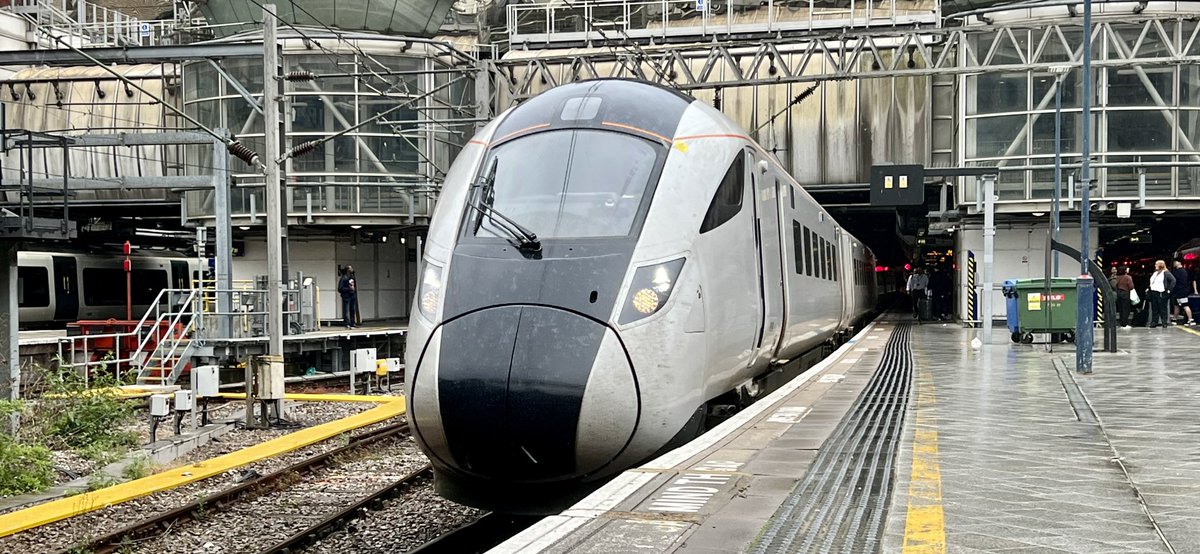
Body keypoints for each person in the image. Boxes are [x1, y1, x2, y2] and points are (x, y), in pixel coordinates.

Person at [1147, 259, 1175, 328]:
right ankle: (1154, 322)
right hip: (1154, 292)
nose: (1155, 265)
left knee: (1163, 308)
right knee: (1154, 308)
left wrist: (1169, 290)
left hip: (1162, 292)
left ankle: (1164, 322)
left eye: (1156, 264)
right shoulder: (1155, 273)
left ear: (1161, 265)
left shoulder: (1166, 273)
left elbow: (1173, 280)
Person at [1171, 260, 1193, 325]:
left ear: (1179, 263)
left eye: (1175, 262)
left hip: (1179, 291)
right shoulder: (1185, 271)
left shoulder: (1176, 272)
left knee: (1182, 305)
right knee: (1180, 305)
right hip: (1184, 291)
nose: (1174, 264)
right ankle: (1188, 319)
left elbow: (1174, 282)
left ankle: (1190, 319)